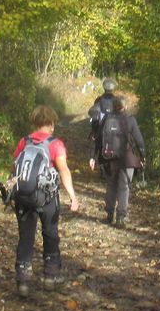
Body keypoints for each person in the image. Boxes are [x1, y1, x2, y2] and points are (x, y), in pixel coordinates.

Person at [10, 105, 79, 297]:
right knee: (50, 233)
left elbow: (15, 168)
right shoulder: (55, 144)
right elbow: (63, 170)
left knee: (26, 237)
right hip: (47, 198)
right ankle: (51, 276)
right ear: (51, 123)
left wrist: (11, 190)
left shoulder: (24, 142)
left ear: (35, 122)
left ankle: (23, 280)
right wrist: (72, 196)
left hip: (24, 196)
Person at [89, 96, 144, 228]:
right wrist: (143, 156)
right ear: (125, 106)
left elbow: (98, 139)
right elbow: (139, 140)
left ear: (113, 106)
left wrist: (93, 157)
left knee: (111, 186)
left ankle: (109, 215)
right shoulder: (130, 120)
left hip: (109, 158)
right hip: (127, 159)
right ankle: (121, 218)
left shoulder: (106, 119)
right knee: (124, 187)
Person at [87, 77, 118, 162]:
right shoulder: (117, 101)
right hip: (115, 130)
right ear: (113, 88)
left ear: (104, 87)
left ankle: (93, 157)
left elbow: (93, 115)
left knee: (95, 139)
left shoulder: (99, 100)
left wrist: (94, 131)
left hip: (101, 131)